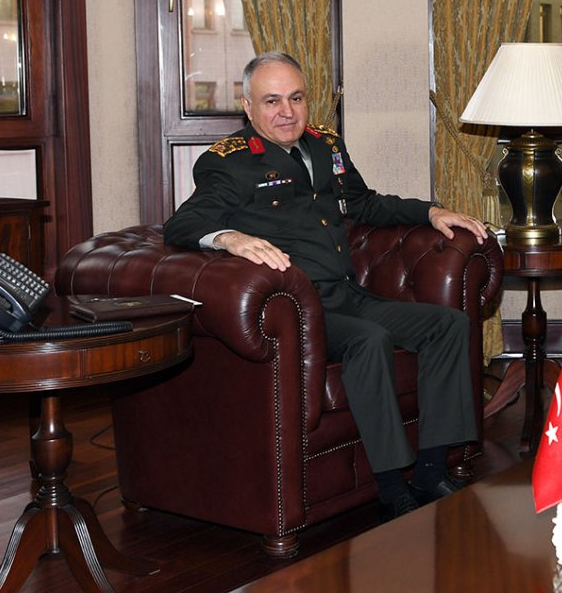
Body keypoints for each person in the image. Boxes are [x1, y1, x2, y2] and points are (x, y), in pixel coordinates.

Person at [163, 51, 489, 522]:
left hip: (347, 294)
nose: (287, 111)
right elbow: (182, 224)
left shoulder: (325, 145)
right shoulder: (228, 163)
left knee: (449, 325)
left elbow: (363, 203)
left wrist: (430, 211)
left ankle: (431, 472)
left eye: (296, 98)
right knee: (369, 339)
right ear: (248, 106)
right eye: (272, 101)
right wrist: (229, 237)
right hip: (300, 309)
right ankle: (392, 486)